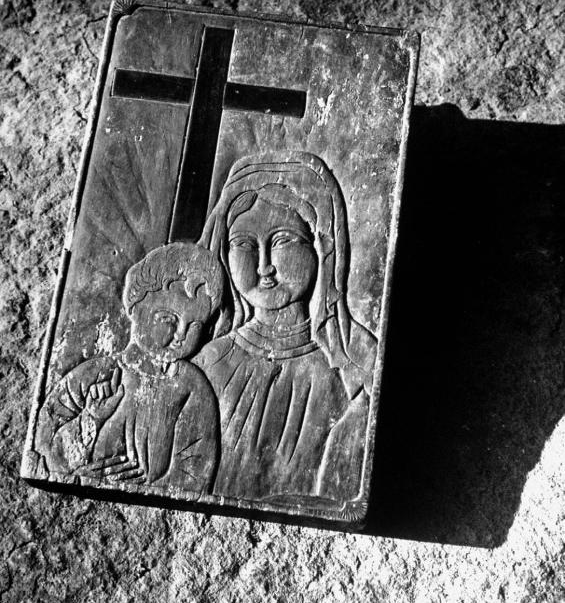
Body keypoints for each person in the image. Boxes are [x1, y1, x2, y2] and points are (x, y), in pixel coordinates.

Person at [195, 151, 378, 508]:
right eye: (244, 245)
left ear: (321, 247)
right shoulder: (209, 364)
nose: (263, 266)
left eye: (282, 241)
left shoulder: (353, 367)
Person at [36, 242, 223, 493]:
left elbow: (196, 469)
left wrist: (147, 489)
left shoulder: (191, 387)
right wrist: (91, 420)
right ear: (135, 306)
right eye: (167, 319)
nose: (181, 334)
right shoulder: (95, 375)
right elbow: (44, 446)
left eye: (195, 326)